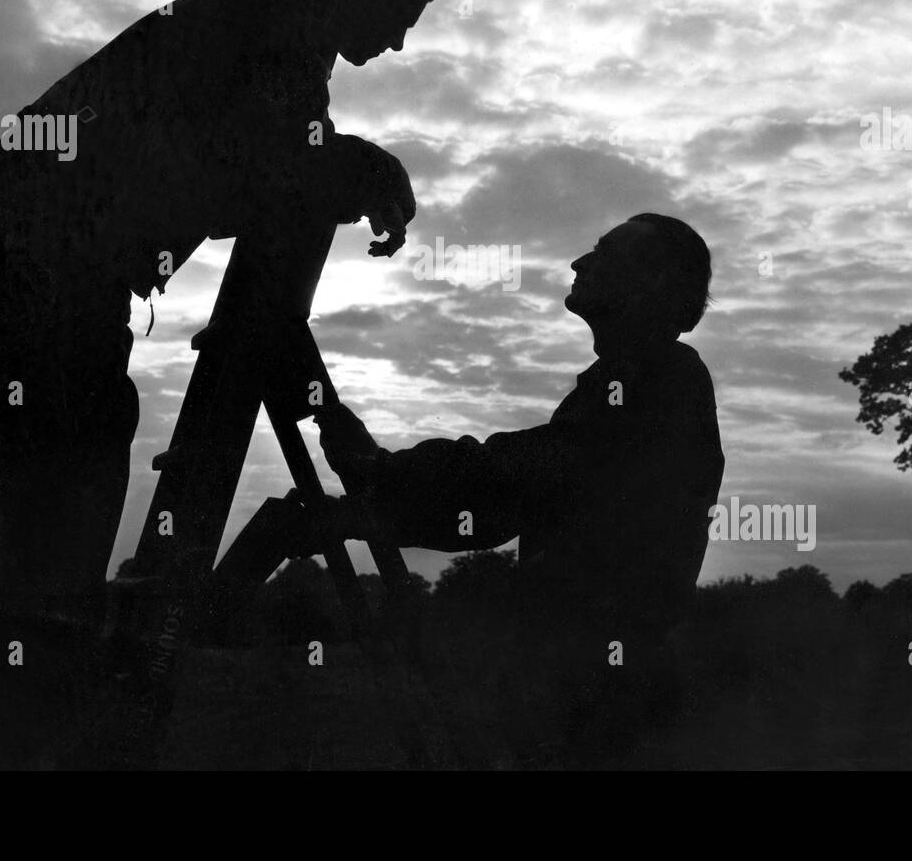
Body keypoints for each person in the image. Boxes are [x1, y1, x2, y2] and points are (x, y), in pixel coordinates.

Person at [0, 0, 438, 630]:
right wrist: (378, 173)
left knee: (79, 418)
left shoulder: (294, 5)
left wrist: (355, 172)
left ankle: (46, 627)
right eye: (401, 16)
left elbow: (268, 158)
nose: (399, 43)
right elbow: (290, 157)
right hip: (56, 197)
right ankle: (40, 639)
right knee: (68, 423)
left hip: (57, 198)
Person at [310, 213, 724, 763]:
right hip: (590, 695)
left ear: (651, 283)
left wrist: (385, 474)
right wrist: (374, 506)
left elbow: (518, 474)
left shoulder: (657, 385)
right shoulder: (632, 384)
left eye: (603, 254)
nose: (579, 263)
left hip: (603, 706)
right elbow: (502, 508)